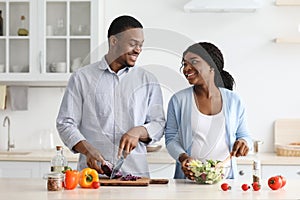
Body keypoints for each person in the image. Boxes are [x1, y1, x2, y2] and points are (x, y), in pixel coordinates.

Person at [56, 15, 165, 177]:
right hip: (92, 177)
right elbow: (65, 123)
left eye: (141, 45)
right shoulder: (82, 77)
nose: (138, 50)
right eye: (133, 44)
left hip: (135, 177)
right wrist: (87, 149)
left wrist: (139, 131)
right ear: (114, 41)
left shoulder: (148, 80)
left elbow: (159, 123)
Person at [165, 42, 252, 179]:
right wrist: (183, 158)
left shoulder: (234, 100)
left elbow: (244, 135)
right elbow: (170, 139)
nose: (186, 68)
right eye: (184, 64)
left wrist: (244, 142)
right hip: (190, 179)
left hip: (225, 180)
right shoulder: (178, 100)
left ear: (212, 66)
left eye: (193, 62)